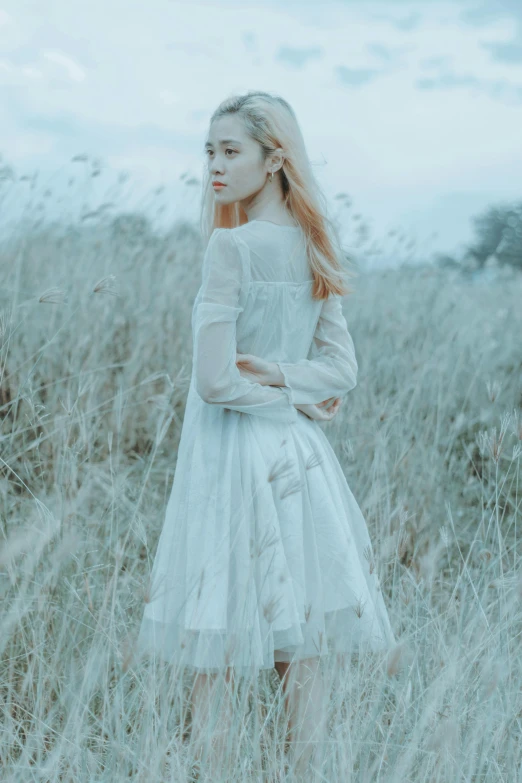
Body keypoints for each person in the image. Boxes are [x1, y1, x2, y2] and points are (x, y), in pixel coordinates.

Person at [136, 90, 396, 778]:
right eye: (210, 152)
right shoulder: (316, 245)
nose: (215, 167)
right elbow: (338, 371)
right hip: (297, 453)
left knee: (216, 639)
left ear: (273, 158)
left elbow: (216, 381)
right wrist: (294, 391)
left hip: (230, 455)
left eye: (231, 151)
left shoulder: (230, 245)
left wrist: (271, 378)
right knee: (297, 640)